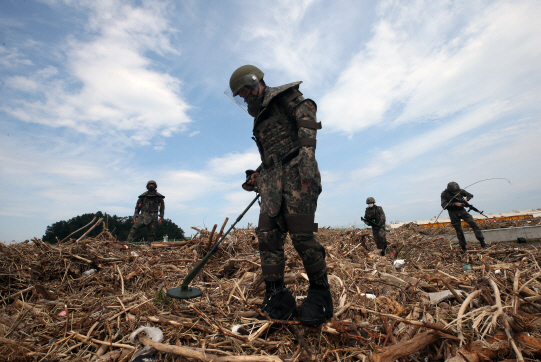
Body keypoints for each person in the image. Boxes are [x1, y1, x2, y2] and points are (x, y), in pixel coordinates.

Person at [226, 65, 332, 327]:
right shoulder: (260, 116)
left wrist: (307, 156)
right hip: (272, 181)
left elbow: (306, 112)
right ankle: (277, 295)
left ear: (257, 81)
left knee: (302, 235)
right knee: (268, 236)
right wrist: (258, 174)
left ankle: (320, 294)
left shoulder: (285, 96)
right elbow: (274, 153)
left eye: (246, 90)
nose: (246, 96)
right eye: (241, 95)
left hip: (298, 174)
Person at [441, 182, 487, 253]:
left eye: (456, 189)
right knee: (459, 230)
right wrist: (455, 204)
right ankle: (463, 247)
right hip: (453, 213)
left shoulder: (460, 191)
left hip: (462, 211)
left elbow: (470, 195)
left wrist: (466, 199)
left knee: (473, 224)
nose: (455, 190)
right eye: (454, 189)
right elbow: (444, 205)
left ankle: (482, 242)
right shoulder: (444, 194)